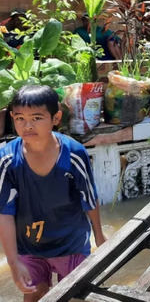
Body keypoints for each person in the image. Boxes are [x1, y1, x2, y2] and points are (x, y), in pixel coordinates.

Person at [0, 85, 106, 301]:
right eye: (20, 118)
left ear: (55, 118)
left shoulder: (74, 153)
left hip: (72, 243)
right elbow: (4, 212)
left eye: (37, 118)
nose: (27, 125)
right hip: (30, 245)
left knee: (76, 295)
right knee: (34, 295)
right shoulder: (7, 159)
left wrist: (100, 237)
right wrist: (13, 261)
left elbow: (89, 197)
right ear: (12, 117)